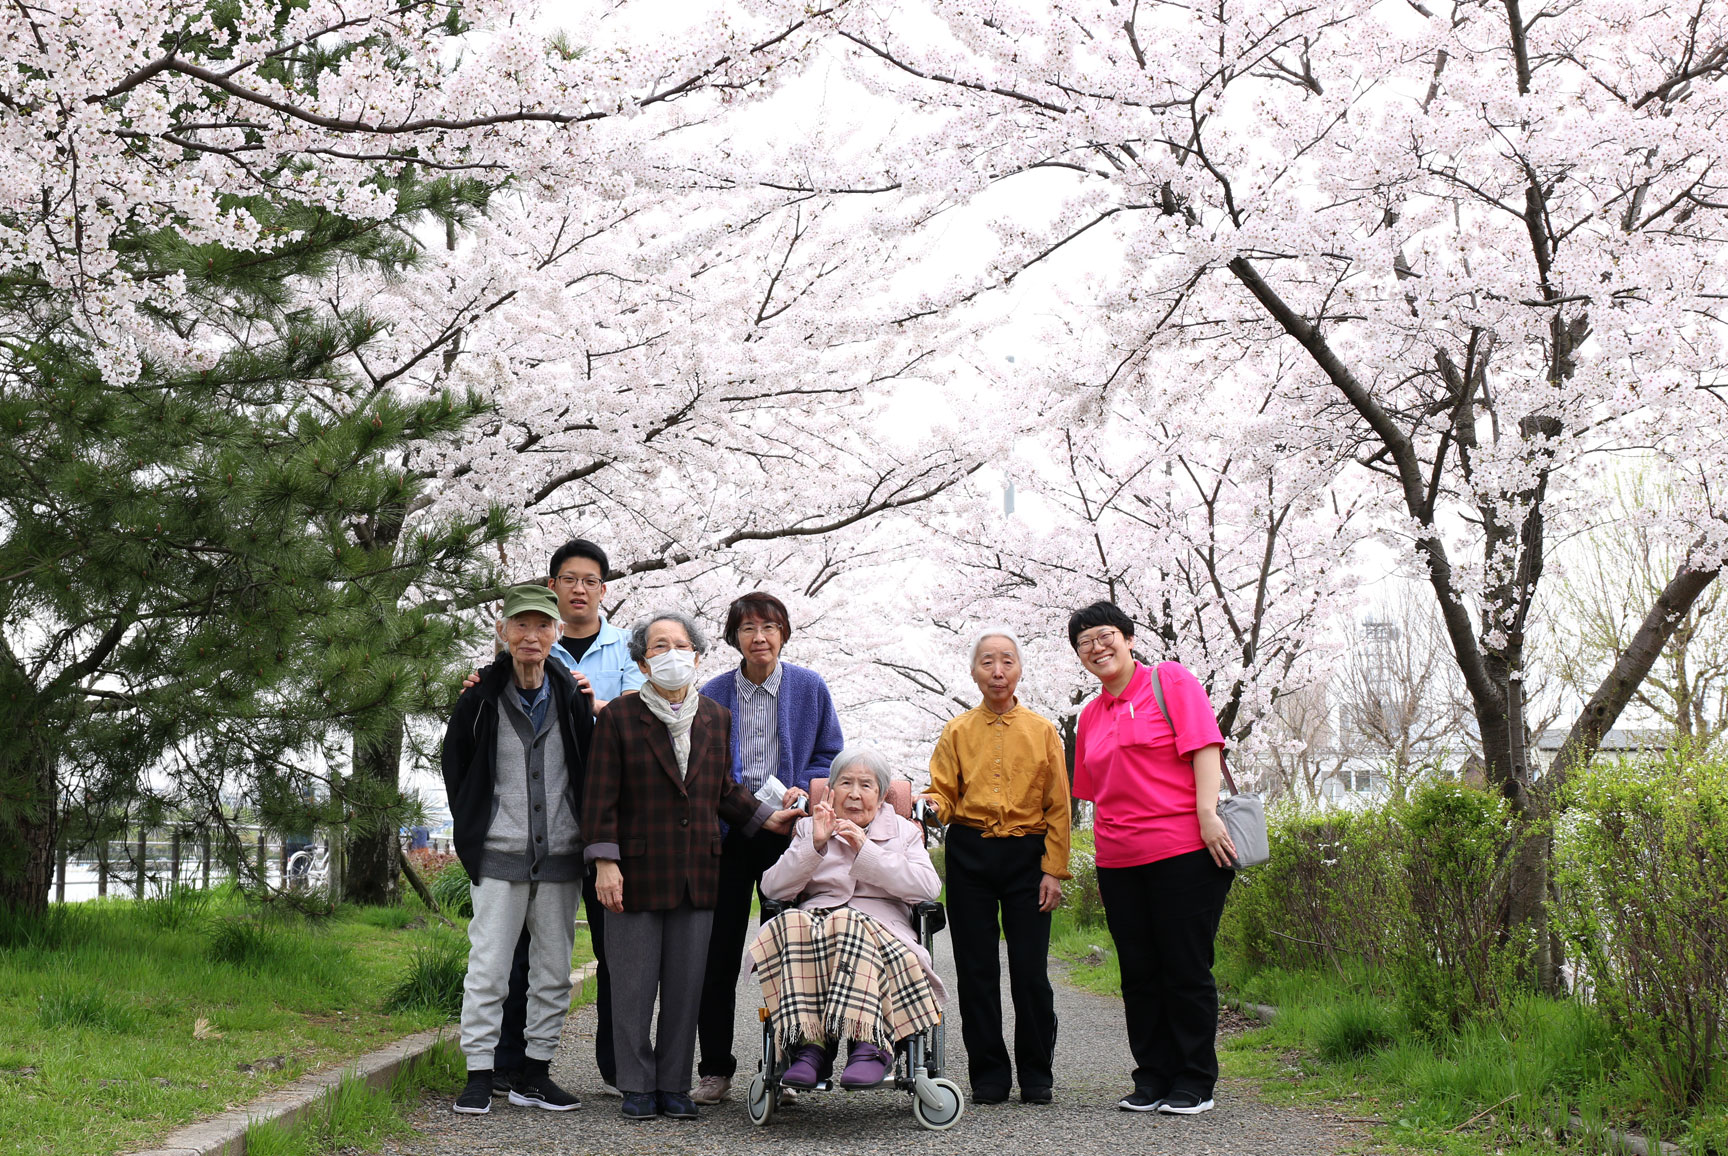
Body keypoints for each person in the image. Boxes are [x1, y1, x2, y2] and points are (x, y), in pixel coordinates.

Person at [582, 611, 801, 1121]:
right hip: (635, 870)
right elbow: (599, 798)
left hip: (698, 870)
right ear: (642, 662)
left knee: (686, 987)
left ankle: (674, 1083)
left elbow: (723, 790)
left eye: (681, 645)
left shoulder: (715, 717)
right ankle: (637, 1084)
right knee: (633, 985)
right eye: (659, 646)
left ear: (698, 657)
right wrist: (605, 862)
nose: (672, 654)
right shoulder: (619, 717)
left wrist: (766, 818)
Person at [477, 539, 645, 1100]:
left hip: (601, 825)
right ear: (552, 588)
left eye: (590, 580)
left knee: (606, 950)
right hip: (524, 833)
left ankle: (616, 1069)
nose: (580, 589)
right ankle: (505, 1066)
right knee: (510, 955)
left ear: (603, 589)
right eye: (569, 579)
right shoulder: (511, 662)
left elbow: (644, 717)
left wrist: (599, 707)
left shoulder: (626, 649)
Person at [1067, 600, 1236, 1116]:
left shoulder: (1169, 681)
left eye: (1105, 635)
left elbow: (1205, 746)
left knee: (1184, 967)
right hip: (1119, 862)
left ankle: (1194, 1080)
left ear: (1128, 638)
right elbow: (1096, 794)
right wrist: (1100, 859)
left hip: (1184, 851)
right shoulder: (1090, 715)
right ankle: (1153, 1076)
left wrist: (1207, 813)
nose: (1097, 648)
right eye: (1084, 643)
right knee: (1139, 973)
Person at [441, 584, 594, 1116]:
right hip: (497, 854)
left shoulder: (573, 697)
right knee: (488, 967)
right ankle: (479, 1073)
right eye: (521, 625)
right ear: (502, 631)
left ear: (558, 633)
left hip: (561, 855)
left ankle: (535, 1073)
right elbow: (457, 770)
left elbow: (588, 766)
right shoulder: (478, 698)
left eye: (543, 625)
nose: (532, 635)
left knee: (553, 971)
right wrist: (477, 828)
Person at [689, 591, 843, 1105]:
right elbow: (706, 770)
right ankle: (715, 1067)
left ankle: (791, 1063)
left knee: (793, 950)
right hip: (728, 835)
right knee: (718, 952)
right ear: (734, 637)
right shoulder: (712, 693)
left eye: (770, 627)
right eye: (749, 628)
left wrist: (804, 787)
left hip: (790, 835)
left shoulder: (809, 687)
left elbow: (829, 754)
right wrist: (748, 810)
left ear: (784, 634)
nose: (760, 637)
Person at [920, 627, 1070, 1105]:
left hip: (1028, 855)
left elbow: (1059, 806)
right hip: (970, 852)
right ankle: (989, 1074)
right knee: (975, 969)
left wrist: (1053, 870)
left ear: (1019, 669)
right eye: (987, 661)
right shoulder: (957, 731)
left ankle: (1037, 1074)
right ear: (973, 672)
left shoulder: (1043, 731)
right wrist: (932, 805)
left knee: (1030, 971)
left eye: (1007, 660)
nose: (998, 670)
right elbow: (943, 792)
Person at [752, 746, 944, 1089]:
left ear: (881, 796)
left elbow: (927, 888)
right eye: (846, 783)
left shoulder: (904, 831)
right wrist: (814, 846)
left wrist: (866, 851)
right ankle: (810, 1046)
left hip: (884, 934)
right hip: (815, 932)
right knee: (791, 922)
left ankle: (870, 1043)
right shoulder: (809, 828)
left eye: (866, 785)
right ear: (830, 790)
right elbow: (772, 888)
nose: (854, 794)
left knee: (848, 921)